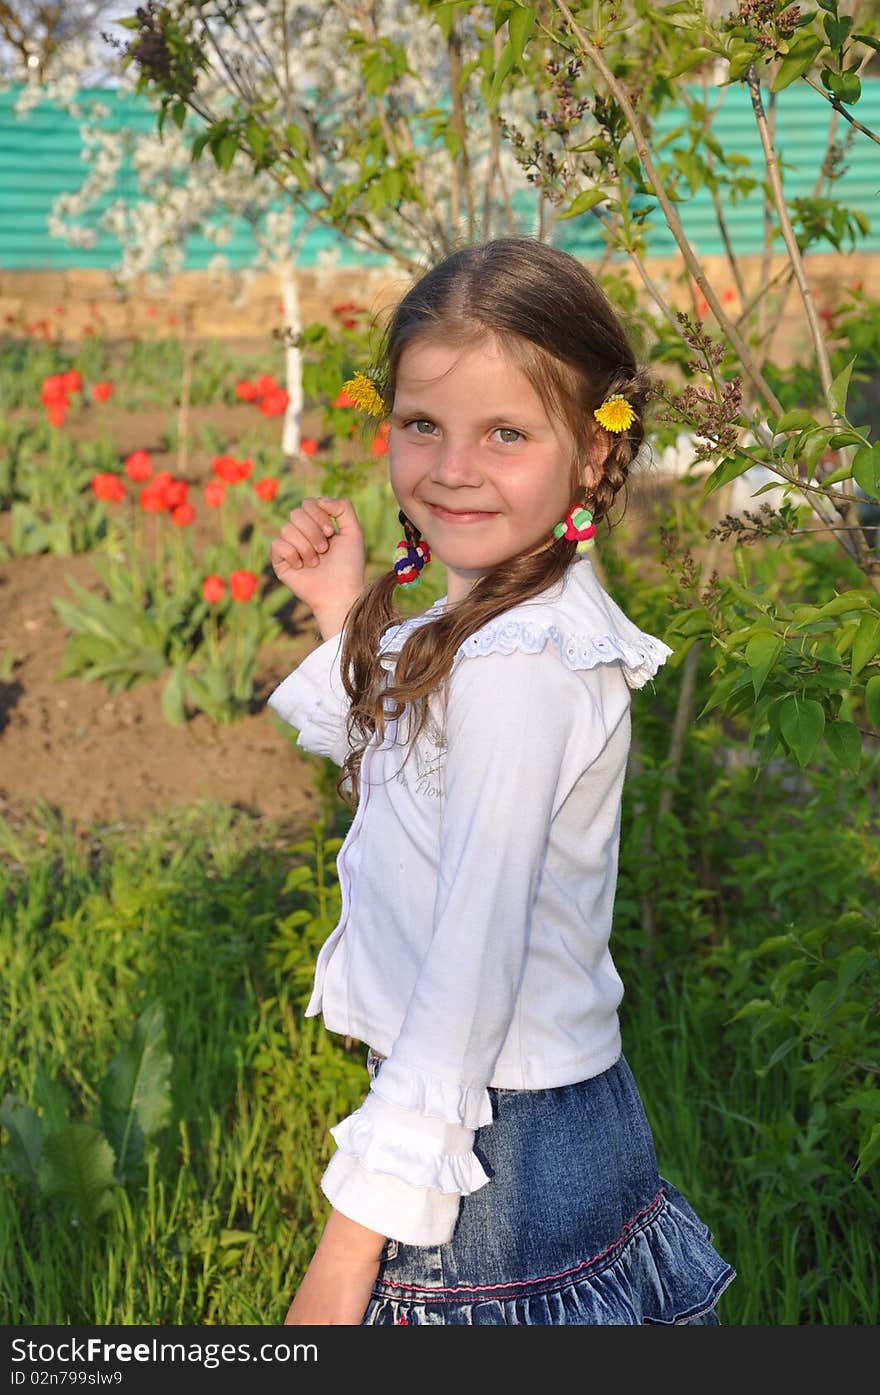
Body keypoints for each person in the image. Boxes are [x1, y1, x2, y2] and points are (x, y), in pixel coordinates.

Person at [267, 237, 736, 1326]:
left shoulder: (520, 668)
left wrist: (345, 1254)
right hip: (546, 1123)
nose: (452, 469)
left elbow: (465, 975)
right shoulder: (509, 618)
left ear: (589, 456)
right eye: (422, 424)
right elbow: (416, 778)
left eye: (507, 434)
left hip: (494, 1154)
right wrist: (347, 612)